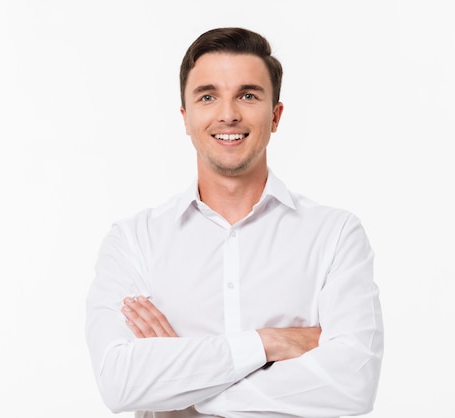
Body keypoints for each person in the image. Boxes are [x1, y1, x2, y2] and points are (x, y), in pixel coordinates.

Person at [86, 27, 383, 418]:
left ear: (275, 116)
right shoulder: (134, 241)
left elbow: (353, 384)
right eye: (208, 96)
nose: (228, 114)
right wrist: (268, 344)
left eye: (248, 95)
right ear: (186, 117)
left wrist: (185, 390)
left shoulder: (335, 235)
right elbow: (119, 382)